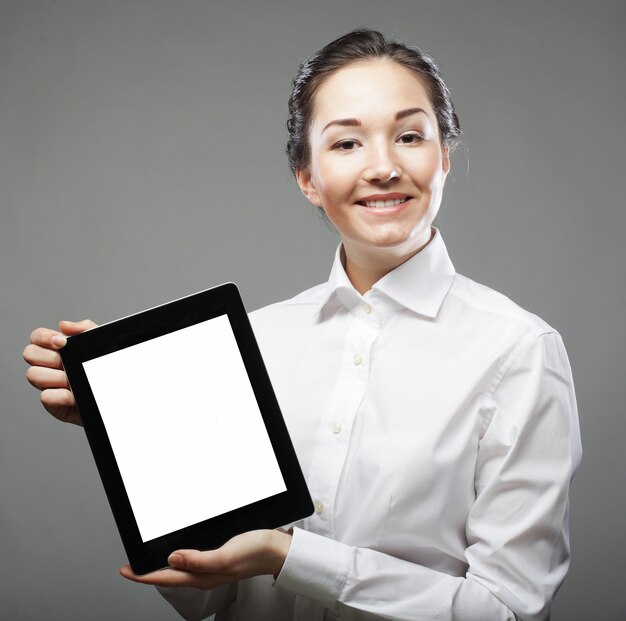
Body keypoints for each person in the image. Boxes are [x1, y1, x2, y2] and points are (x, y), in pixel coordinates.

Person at [23, 29, 581, 621]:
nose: (383, 166)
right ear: (307, 177)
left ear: (444, 156)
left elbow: (510, 610)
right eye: (346, 144)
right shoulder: (254, 341)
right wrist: (133, 434)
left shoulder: (520, 351)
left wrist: (288, 555)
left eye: (410, 136)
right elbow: (205, 592)